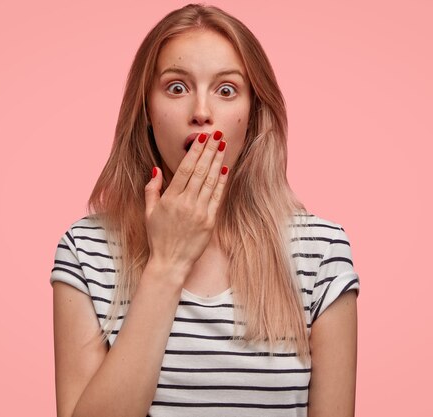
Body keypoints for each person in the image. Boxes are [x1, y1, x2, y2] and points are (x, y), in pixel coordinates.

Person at [50, 4, 360, 417]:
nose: (201, 112)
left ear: (251, 115)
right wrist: (167, 265)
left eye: (226, 90)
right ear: (146, 110)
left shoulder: (320, 253)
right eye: (176, 88)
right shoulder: (85, 251)